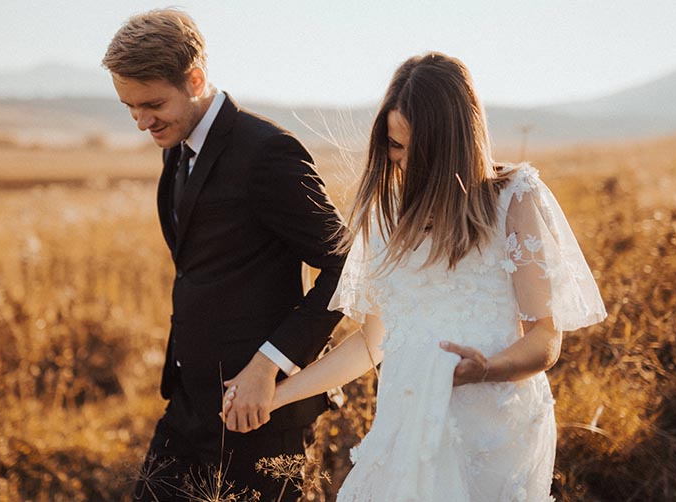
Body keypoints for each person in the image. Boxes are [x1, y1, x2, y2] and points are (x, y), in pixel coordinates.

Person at [224, 52, 607, 501]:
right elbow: (373, 343)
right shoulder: (383, 214)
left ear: (454, 143)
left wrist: (487, 370)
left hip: (492, 433)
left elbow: (545, 339)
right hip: (403, 427)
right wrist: (276, 395)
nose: (400, 161)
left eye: (413, 149)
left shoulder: (514, 200)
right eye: (393, 144)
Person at [101, 9, 347, 501]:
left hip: (261, 412)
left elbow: (347, 265)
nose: (141, 122)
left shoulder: (268, 152)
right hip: (188, 406)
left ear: (194, 79)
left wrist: (268, 364)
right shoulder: (177, 145)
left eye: (151, 104)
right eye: (129, 107)